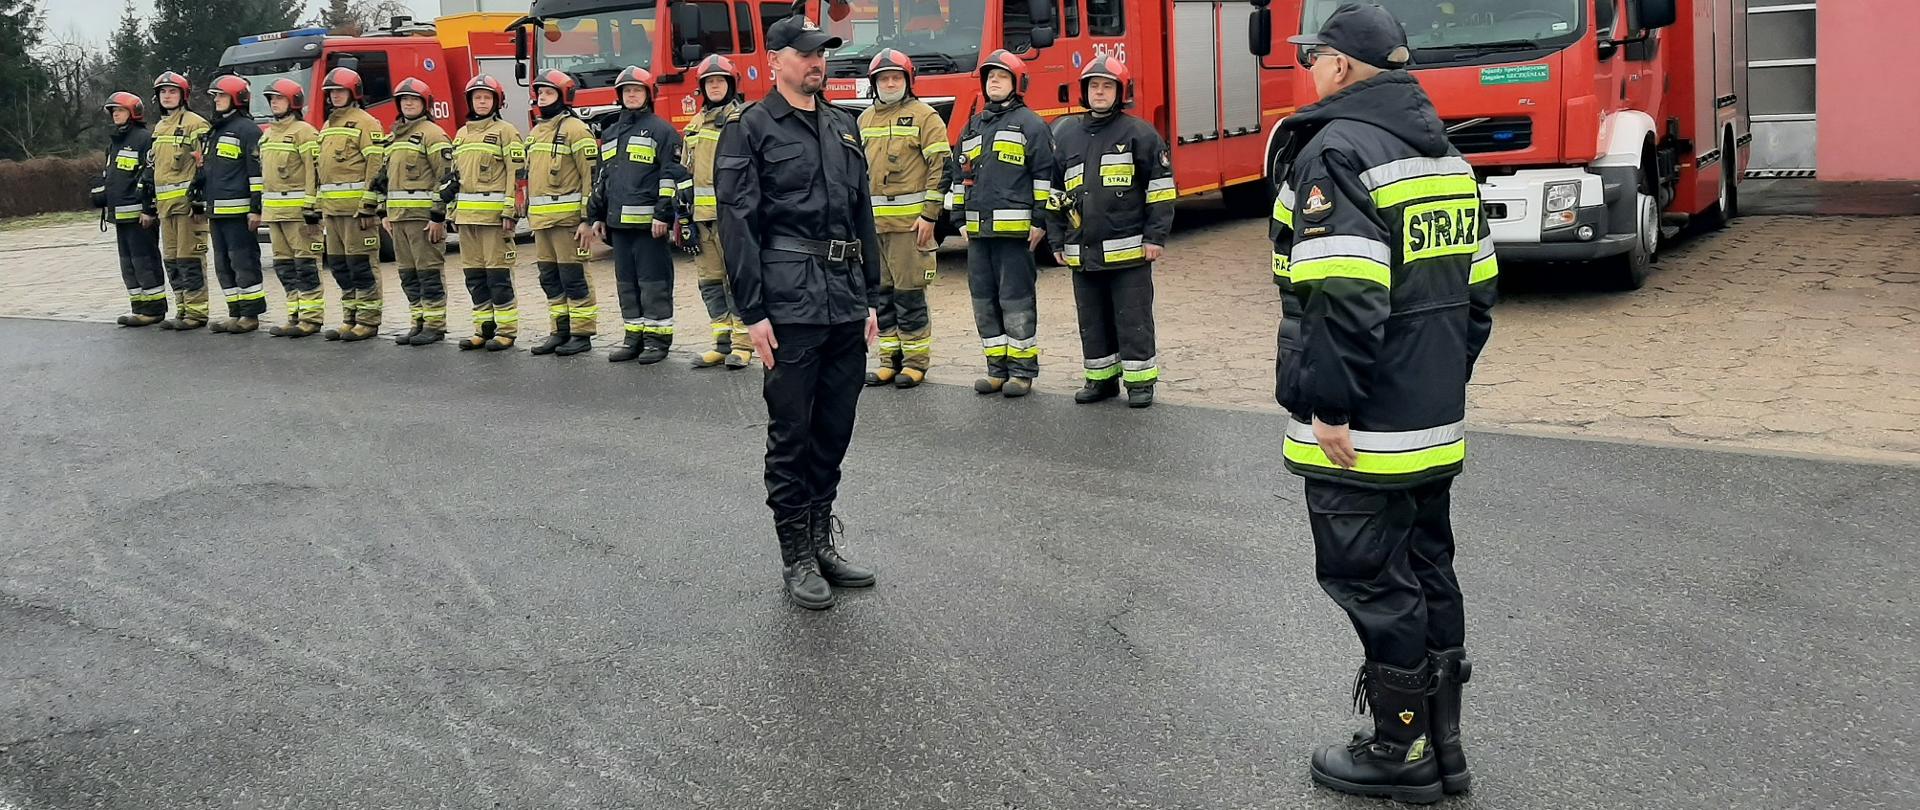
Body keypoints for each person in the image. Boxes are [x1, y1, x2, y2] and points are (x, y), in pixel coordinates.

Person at [1269, 4, 1497, 803]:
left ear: (1336, 66)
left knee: (1370, 578)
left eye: (1311, 57)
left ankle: (1398, 754)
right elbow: (1478, 293)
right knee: (1429, 567)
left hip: (1363, 427)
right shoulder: (1446, 156)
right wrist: (1435, 376)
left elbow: (1341, 294)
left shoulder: (1337, 151)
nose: (1306, 69)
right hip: (1430, 417)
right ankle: (1445, 748)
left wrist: (1331, 406)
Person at [715, 14, 881, 610]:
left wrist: (872, 297)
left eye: (824, 53)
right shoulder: (751, 129)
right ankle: (796, 557)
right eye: (808, 53)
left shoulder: (843, 127)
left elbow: (862, 215)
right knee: (793, 433)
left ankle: (821, 538)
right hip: (788, 302)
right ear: (775, 61)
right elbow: (738, 224)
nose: (819, 62)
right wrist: (752, 311)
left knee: (834, 429)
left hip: (843, 299)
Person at [1046, 55, 1175, 409]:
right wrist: (1056, 239)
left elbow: (1160, 190)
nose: (1099, 92)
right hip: (1082, 252)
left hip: (1129, 252)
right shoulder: (1066, 133)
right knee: (1092, 320)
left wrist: (1155, 237)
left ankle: (1140, 383)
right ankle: (1100, 380)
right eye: (1094, 86)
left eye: (1107, 86)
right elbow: (1056, 194)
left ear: (1121, 92)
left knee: (1133, 319)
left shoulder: (1140, 133)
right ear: (1084, 92)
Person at [948, 49, 1055, 398]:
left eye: (1002, 77)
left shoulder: (1032, 125)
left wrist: (1040, 222)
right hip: (979, 234)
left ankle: (1022, 372)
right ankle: (996, 369)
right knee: (984, 301)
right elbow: (959, 175)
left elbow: (1044, 178)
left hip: (1015, 235)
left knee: (1016, 300)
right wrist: (958, 218)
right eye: (990, 76)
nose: (994, 81)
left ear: (1017, 84)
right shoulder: (973, 125)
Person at [857, 48, 948, 390]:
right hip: (874, 228)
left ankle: (914, 363)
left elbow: (942, 168)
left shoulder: (926, 117)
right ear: (874, 84)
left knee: (909, 296)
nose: (890, 83)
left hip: (911, 227)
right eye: (884, 78)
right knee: (881, 296)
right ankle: (887, 360)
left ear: (908, 81)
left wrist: (930, 216)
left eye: (896, 77)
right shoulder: (864, 120)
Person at [589, 66, 685, 365]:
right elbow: (604, 177)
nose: (631, 94)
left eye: (637, 90)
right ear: (619, 95)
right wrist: (598, 214)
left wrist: (663, 215)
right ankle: (634, 337)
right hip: (618, 225)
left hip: (648, 226)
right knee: (626, 284)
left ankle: (657, 340)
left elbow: (670, 177)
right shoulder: (611, 131)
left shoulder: (663, 131)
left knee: (653, 283)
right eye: (626, 90)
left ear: (648, 94)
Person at [680, 55, 753, 369]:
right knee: (709, 282)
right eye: (709, 82)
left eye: (720, 81)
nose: (714, 86)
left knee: (738, 281)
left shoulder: (742, 120)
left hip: (732, 218)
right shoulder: (694, 124)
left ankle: (744, 344)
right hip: (702, 219)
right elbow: (685, 172)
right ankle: (721, 344)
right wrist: (682, 216)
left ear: (731, 84)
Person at [523, 69, 601, 357]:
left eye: (549, 93)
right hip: (542, 223)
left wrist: (586, 220)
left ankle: (581, 333)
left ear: (564, 96)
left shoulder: (576, 129)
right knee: (550, 278)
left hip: (569, 223)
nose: (542, 97)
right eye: (540, 93)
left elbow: (589, 178)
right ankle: (560, 330)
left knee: (574, 277)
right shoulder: (535, 132)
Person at [444, 75, 525, 352]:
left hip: (493, 220)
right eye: (477, 97)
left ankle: (506, 331)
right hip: (467, 220)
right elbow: (455, 178)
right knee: (475, 278)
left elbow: (516, 176)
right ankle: (483, 328)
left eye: (486, 97)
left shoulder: (507, 132)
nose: (481, 102)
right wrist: (452, 212)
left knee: (498, 278)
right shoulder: (462, 134)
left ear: (497, 101)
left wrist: (510, 212)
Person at [314, 68, 389, 342]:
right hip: (333, 213)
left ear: (353, 92)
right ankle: (350, 317)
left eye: (339, 91)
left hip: (358, 213)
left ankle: (368, 321)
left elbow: (376, 165)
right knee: (340, 266)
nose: (334, 96)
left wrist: (370, 206)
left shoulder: (366, 123)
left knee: (362, 266)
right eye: (331, 92)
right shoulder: (328, 125)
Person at [381, 77, 455, 345]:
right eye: (403, 99)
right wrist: (383, 213)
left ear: (425, 103)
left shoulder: (433, 134)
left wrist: (438, 217)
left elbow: (445, 178)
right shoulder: (392, 138)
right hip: (399, 219)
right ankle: (418, 321)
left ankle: (435, 326)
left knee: (429, 272)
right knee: (408, 274)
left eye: (414, 99)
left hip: (423, 220)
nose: (408, 103)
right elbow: (382, 179)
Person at [195, 74, 267, 334]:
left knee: (243, 261)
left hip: (239, 213)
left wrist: (256, 209)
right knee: (223, 264)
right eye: (215, 97)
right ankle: (234, 312)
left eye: (222, 96)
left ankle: (250, 315)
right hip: (217, 211)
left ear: (238, 98)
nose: (217, 101)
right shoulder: (214, 131)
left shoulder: (248, 130)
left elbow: (256, 174)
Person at [258, 78, 325, 338]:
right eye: (272, 99)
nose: (274, 103)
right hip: (275, 214)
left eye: (279, 98)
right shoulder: (267, 134)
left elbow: (314, 172)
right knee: (285, 268)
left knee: (306, 267)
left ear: (293, 102)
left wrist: (312, 208)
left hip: (299, 215)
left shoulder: (304, 132)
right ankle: (294, 315)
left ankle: (311, 318)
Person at [93, 91, 166, 327]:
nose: (115, 115)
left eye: (120, 110)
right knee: (129, 264)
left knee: (145, 261)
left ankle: (154, 309)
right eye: (113, 111)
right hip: (120, 215)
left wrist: (149, 210)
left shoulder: (145, 138)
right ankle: (138, 307)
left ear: (133, 112)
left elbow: (150, 175)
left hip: (139, 216)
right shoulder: (115, 142)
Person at [148, 71, 210, 331]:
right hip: (165, 207)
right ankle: (182, 308)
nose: (167, 96)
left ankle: (197, 312)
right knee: (172, 259)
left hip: (188, 207)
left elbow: (204, 165)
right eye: (163, 92)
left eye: (172, 91)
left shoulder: (197, 124)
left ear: (183, 95)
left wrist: (199, 201)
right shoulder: (160, 127)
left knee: (190, 258)